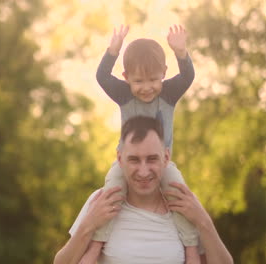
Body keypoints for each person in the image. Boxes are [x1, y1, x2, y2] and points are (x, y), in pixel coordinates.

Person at [87, 24, 200, 262]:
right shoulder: (125, 94)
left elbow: (188, 76)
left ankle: (190, 246)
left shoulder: (168, 94)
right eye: (138, 81)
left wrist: (181, 52)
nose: (147, 87)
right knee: (112, 190)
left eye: (153, 79)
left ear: (164, 74)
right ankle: (97, 244)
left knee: (179, 192)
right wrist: (112, 51)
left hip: (162, 163)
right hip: (127, 162)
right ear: (126, 77)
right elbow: (101, 77)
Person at [53, 116, 233, 264]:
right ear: (120, 159)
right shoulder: (101, 201)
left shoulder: (185, 204)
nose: (144, 171)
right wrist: (89, 224)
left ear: (166, 157)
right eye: (134, 160)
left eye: (152, 159)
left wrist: (204, 222)